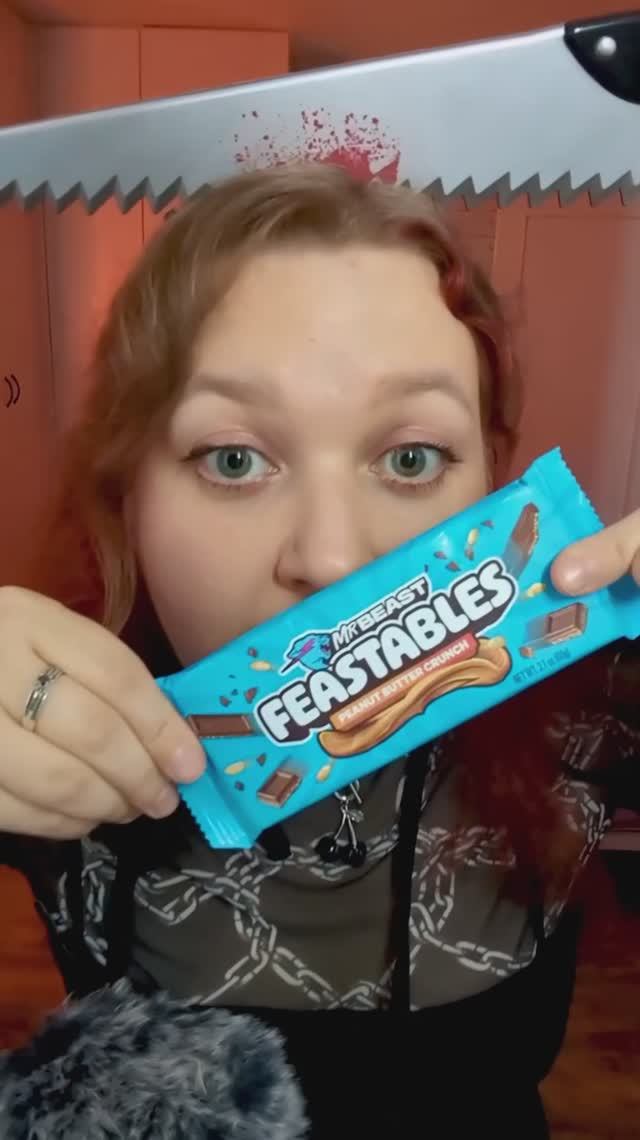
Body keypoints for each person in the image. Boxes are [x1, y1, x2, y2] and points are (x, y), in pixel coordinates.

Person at [0, 162, 638, 1139]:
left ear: (492, 485)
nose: (332, 560)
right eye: (234, 459)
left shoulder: (593, 720)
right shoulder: (58, 738)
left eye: (410, 458)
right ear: (127, 494)